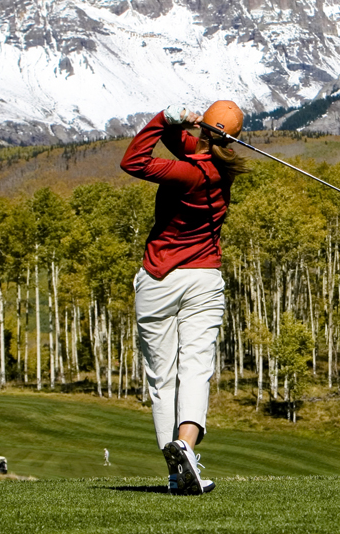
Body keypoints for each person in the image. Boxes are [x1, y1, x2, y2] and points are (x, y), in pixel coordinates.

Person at [120, 100, 248, 496]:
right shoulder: (220, 169)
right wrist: (180, 126)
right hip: (204, 280)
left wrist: (163, 118)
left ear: (205, 130)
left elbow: (133, 161)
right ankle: (187, 449)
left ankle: (177, 468)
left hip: (159, 280)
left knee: (163, 380)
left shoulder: (187, 174)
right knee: (195, 369)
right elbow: (184, 146)